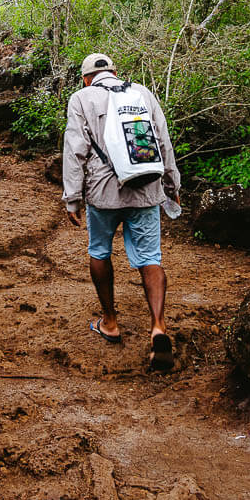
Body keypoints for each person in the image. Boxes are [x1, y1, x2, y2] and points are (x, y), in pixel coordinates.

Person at [61, 52, 181, 371]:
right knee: (150, 257)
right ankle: (157, 325)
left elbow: (75, 151)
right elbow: (163, 142)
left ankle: (110, 322)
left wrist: (73, 198)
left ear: (86, 78)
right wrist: (172, 186)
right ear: (116, 72)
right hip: (146, 187)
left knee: (99, 251)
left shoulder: (82, 98)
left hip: (104, 193)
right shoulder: (141, 93)